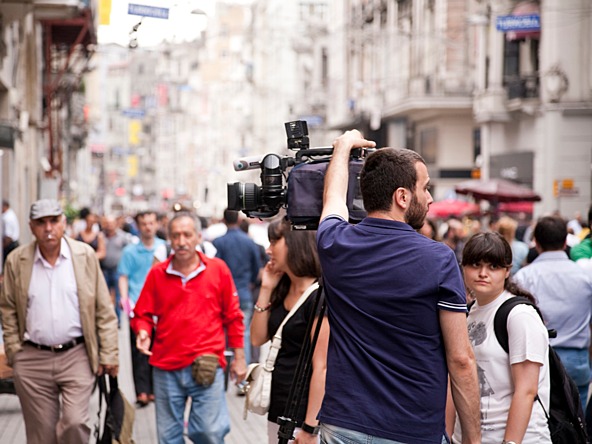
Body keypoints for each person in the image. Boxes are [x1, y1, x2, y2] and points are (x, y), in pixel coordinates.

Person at [316, 130, 480, 443]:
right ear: (402, 197)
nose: (430, 198)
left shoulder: (334, 243)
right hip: (411, 430)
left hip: (343, 427)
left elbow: (333, 198)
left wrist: (342, 148)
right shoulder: (438, 259)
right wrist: (473, 440)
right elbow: (461, 360)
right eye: (425, 188)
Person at [0, 199, 118, 444]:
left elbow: (103, 310)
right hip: (32, 357)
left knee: (74, 424)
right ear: (31, 227)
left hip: (76, 355)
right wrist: (14, 353)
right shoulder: (17, 260)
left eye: (54, 221)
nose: (48, 228)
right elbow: (8, 308)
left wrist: (109, 354)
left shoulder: (84, 255)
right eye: (41, 223)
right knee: (41, 434)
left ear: (64, 223)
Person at [131, 211, 246, 443]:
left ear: (198, 237)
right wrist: (142, 331)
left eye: (187, 235)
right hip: (165, 367)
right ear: (169, 240)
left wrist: (240, 357)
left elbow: (233, 316)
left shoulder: (218, 270)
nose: (181, 241)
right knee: (168, 437)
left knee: (209, 432)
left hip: (207, 363)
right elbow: (141, 313)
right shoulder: (157, 274)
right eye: (175, 236)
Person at [451, 232, 551, 443]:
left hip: (519, 437)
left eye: (493, 267)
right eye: (475, 265)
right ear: (464, 267)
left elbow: (527, 389)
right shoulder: (467, 312)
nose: (483, 273)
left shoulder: (520, 315)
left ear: (507, 271)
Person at [251, 218, 328, 444]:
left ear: (295, 243)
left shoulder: (320, 296)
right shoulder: (282, 287)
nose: (268, 249)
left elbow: (322, 367)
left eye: (275, 241)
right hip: (279, 407)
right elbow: (257, 338)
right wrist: (266, 288)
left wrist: (309, 428)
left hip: (303, 414)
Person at [514, 216, 592, 409]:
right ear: (566, 242)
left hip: (536, 360)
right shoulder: (585, 276)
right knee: (576, 425)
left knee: (540, 423)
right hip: (577, 360)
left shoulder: (524, 277)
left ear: (536, 243)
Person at [118, 210, 166, 406]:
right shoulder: (130, 251)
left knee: (158, 348)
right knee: (138, 351)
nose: (148, 227)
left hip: (160, 308)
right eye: (144, 223)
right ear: (138, 227)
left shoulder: (164, 248)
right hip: (138, 308)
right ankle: (141, 392)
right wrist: (124, 301)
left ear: (157, 225)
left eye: (151, 222)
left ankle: (155, 390)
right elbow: (123, 276)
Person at [213, 209, 261, 365]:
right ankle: (243, 376)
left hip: (222, 296)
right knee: (243, 334)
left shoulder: (218, 243)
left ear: (223, 220)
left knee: (222, 334)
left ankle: (225, 369)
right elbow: (257, 269)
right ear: (239, 220)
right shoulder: (249, 242)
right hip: (244, 292)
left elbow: (214, 270)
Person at [100, 215, 129, 325]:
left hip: (117, 270)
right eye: (107, 223)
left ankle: (117, 319)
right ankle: (106, 319)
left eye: (111, 223)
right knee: (104, 296)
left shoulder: (123, 237)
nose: (109, 226)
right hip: (105, 270)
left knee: (117, 296)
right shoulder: (101, 236)